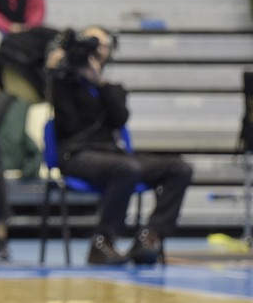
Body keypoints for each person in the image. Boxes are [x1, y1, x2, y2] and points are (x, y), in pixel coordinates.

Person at [48, 27, 193, 265]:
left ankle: (149, 237)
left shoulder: (111, 89)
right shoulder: (63, 84)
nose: (94, 51)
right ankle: (102, 242)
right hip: (77, 155)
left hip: (113, 155)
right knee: (128, 169)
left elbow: (120, 118)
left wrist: (99, 82)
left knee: (179, 168)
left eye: (100, 45)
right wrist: (57, 72)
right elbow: (66, 124)